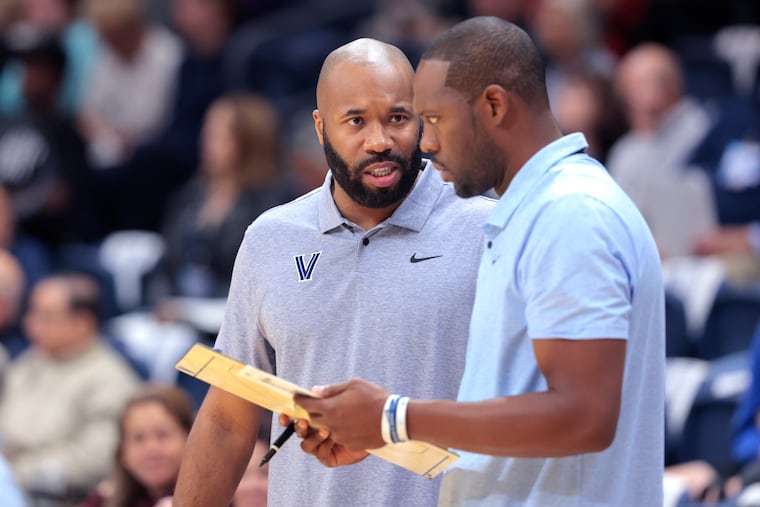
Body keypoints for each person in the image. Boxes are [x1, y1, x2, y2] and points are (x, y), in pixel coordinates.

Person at [294, 17, 666, 506]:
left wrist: (394, 416)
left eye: (436, 119)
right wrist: (383, 432)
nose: (425, 145)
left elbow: (583, 417)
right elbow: (517, 421)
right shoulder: (532, 210)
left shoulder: (570, 214)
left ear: (493, 105)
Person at [173, 38, 495, 507]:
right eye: (356, 120)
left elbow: (539, 408)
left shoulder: (486, 230)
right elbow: (227, 419)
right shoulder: (270, 238)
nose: (380, 140)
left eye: (398, 117)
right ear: (321, 128)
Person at [0, 272, 141, 506]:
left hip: (54, 496)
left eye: (45, 316)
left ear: (82, 322)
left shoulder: (110, 380)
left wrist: (12, 474)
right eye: (31, 313)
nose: (30, 324)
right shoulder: (32, 360)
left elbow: (94, 461)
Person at [78, 383, 195, 507]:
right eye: (138, 438)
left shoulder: (203, 499)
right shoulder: (108, 496)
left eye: (162, 435)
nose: (151, 448)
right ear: (122, 452)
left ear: (190, 438)